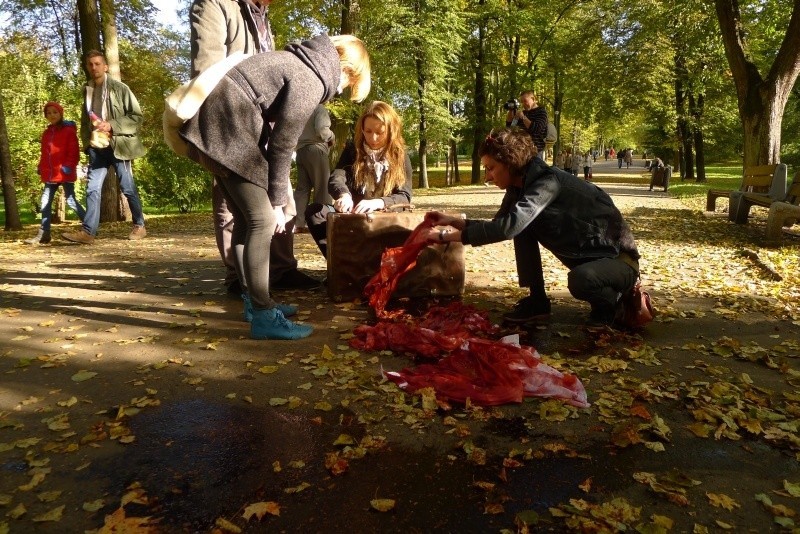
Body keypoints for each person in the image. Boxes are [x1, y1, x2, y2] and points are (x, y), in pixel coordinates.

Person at [180, 33, 370, 339]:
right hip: (228, 130)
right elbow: (282, 145)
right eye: (349, 83)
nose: (343, 89)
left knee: (246, 220)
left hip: (217, 126)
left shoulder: (301, 61)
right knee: (263, 220)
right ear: (347, 69)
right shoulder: (312, 77)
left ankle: (254, 303)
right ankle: (264, 314)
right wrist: (279, 202)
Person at [422, 128, 640, 327]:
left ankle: (615, 302)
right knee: (523, 226)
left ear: (510, 163)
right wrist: (452, 221)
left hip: (619, 261)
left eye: (491, 168)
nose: (488, 177)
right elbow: (500, 226)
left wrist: (444, 237)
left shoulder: (548, 182)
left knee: (581, 280)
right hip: (588, 259)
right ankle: (537, 302)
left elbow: (508, 227)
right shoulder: (519, 188)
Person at [190, 0, 320, 293]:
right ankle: (240, 279)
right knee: (234, 207)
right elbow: (207, 71)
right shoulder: (215, 5)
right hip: (229, 123)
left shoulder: (262, 14)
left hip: (263, 123)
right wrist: (219, 138)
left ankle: (281, 269)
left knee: (279, 194)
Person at [305, 101, 412, 258]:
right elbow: (337, 177)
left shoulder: (400, 155)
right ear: (361, 129)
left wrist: (378, 202)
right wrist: (343, 195)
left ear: (390, 130)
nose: (373, 138)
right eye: (368, 131)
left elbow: (405, 195)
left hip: (385, 218)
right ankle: (340, 264)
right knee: (315, 212)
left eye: (379, 132)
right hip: (354, 215)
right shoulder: (352, 150)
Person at [62, 51, 146, 245]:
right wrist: (87, 144)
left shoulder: (120, 89)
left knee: (127, 188)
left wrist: (112, 125)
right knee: (92, 189)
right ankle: (88, 232)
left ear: (105, 66)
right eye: (90, 64)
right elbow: (85, 121)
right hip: (97, 148)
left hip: (119, 146)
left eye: (98, 63)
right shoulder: (88, 90)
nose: (94, 67)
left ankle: (139, 225)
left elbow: (136, 117)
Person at [25, 102, 86, 245]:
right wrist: (41, 166)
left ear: (60, 113)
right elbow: (44, 154)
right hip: (50, 173)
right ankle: (44, 234)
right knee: (45, 201)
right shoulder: (47, 133)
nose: (52, 115)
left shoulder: (69, 131)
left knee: (71, 200)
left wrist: (69, 166)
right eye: (49, 113)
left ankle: (89, 228)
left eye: (55, 112)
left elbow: (74, 152)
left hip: (64, 171)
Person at [294, 104, 335, 232]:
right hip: (316, 149)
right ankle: (324, 224)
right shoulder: (319, 108)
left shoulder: (301, 107)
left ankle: (298, 223)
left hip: (300, 151)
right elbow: (322, 130)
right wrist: (332, 136)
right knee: (323, 187)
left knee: (302, 190)